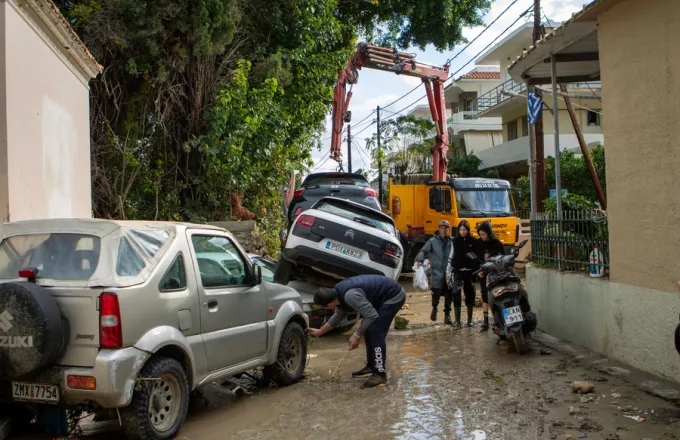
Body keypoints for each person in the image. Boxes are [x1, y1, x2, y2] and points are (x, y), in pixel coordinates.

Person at [306, 275, 406, 388]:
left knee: (375, 330)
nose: (326, 310)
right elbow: (339, 314)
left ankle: (380, 373)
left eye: (325, 308)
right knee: (368, 327)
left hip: (393, 295)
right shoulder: (336, 295)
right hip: (381, 297)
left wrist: (356, 335)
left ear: (329, 304)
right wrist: (320, 331)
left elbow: (371, 315)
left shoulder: (350, 296)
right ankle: (372, 366)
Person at [415, 220, 454, 325]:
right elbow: (423, 251)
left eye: (446, 228)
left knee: (449, 293)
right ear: (439, 229)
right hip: (436, 272)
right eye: (442, 228)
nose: (444, 230)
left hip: (448, 273)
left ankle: (447, 315)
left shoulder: (452, 241)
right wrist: (420, 260)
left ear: (449, 230)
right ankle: (435, 307)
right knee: (436, 292)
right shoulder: (432, 241)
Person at [476, 221, 505, 331]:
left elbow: (503, 257)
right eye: (480, 234)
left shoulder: (497, 243)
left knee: (497, 294)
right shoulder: (479, 243)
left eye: (483, 234)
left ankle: (499, 318)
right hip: (484, 272)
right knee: (484, 295)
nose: (482, 236)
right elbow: (477, 258)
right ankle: (485, 320)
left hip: (496, 273)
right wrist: (478, 269)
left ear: (488, 233)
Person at [450, 220, 478, 327]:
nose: (462, 232)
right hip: (457, 272)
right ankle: (457, 321)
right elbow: (451, 255)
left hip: (470, 273)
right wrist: (449, 270)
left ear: (468, 230)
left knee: (470, 295)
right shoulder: (455, 241)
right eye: (461, 230)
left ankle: (469, 320)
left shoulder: (473, 241)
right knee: (456, 293)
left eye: (464, 230)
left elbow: (477, 258)